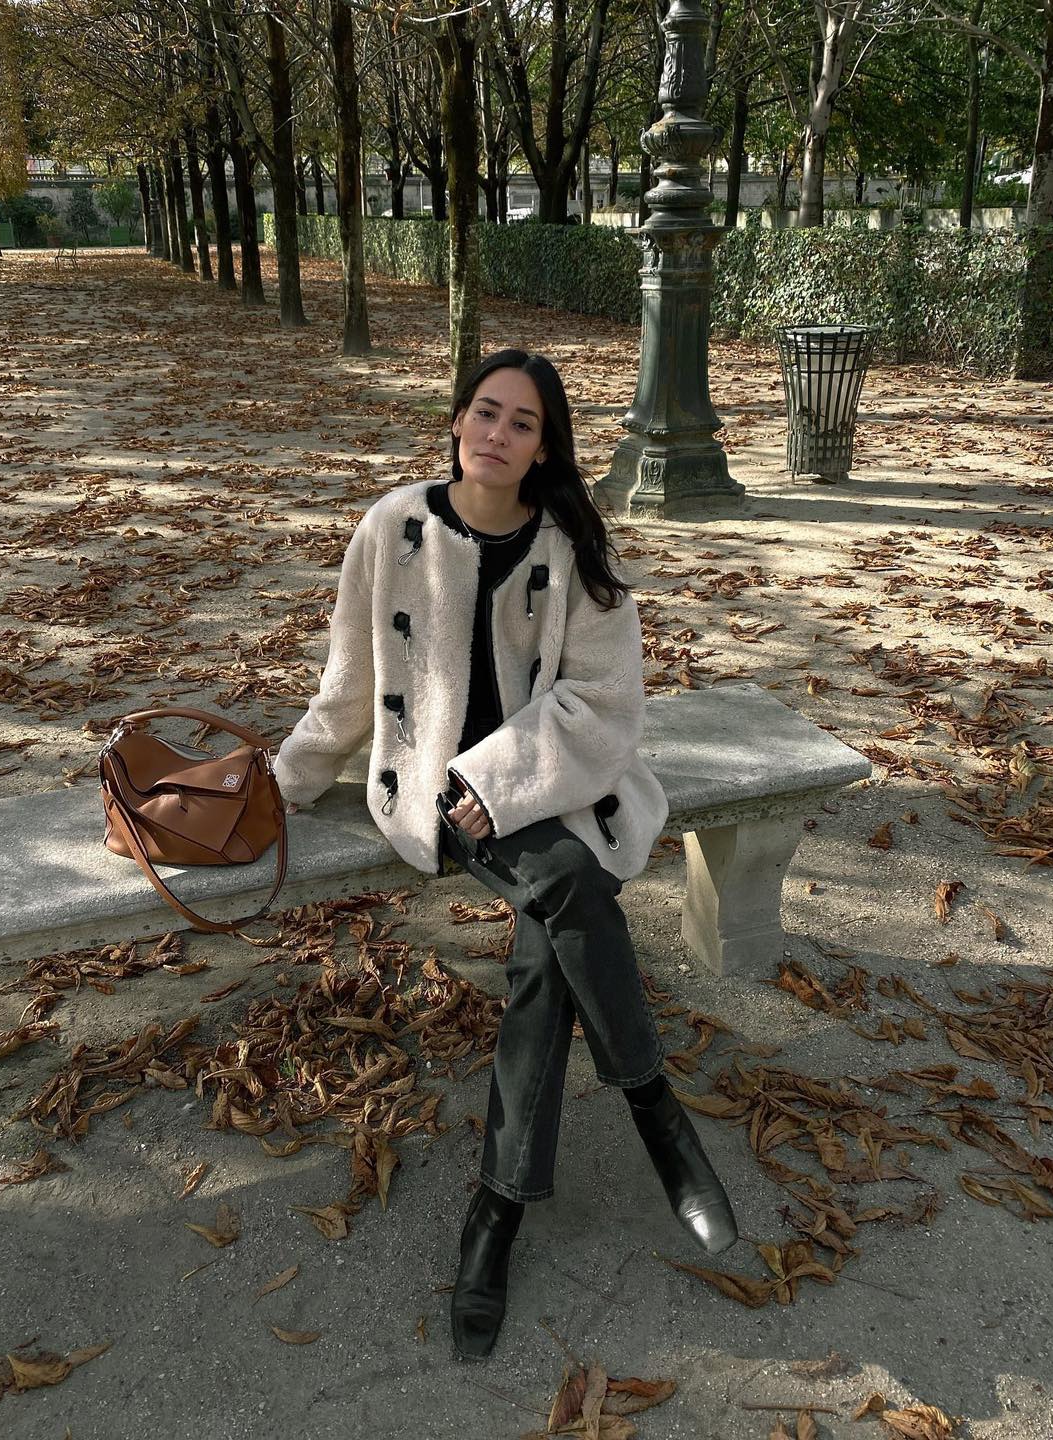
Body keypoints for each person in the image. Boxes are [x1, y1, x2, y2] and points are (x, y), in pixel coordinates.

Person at [273, 348, 738, 1361]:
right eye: (485, 412)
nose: (497, 433)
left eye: (522, 423)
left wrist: (503, 781)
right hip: (434, 791)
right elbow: (349, 685)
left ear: (543, 450)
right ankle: (659, 1119)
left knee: (550, 943)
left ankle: (499, 1211)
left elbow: (606, 702)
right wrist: (284, 785)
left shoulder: (570, 549)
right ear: (456, 422)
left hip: (551, 786)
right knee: (569, 887)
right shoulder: (392, 526)